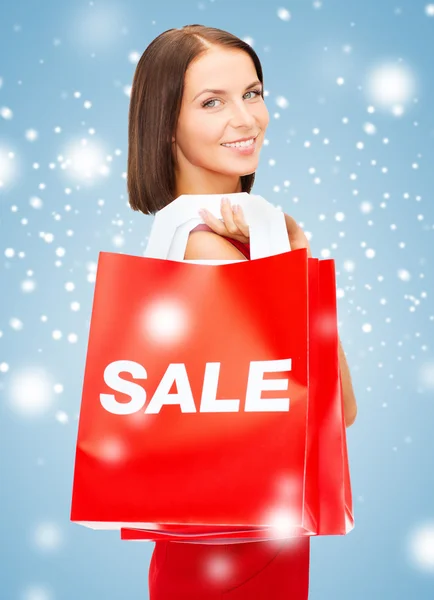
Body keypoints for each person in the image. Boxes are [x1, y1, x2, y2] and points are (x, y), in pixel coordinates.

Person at [127, 23, 357, 599]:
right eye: (212, 102)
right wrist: (297, 261)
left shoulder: (238, 239)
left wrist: (287, 262)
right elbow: (329, 412)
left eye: (252, 93)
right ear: (167, 124)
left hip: (232, 537)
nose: (247, 118)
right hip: (232, 547)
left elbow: (332, 407)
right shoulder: (207, 247)